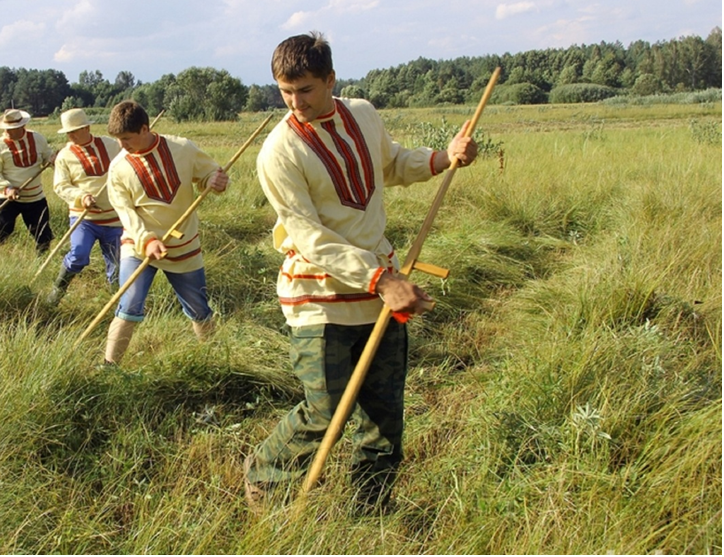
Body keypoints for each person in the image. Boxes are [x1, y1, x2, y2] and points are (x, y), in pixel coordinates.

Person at [244, 32, 477, 514]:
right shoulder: (278, 152)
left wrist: (442, 158)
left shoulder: (363, 114)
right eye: (285, 91)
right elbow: (308, 236)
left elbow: (388, 164)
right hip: (320, 298)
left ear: (331, 79)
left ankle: (368, 511)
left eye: (305, 89)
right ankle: (265, 482)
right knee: (326, 410)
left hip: (377, 297)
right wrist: (383, 280)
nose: (295, 102)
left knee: (385, 413)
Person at [101, 100, 229, 366]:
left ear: (145, 128)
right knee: (129, 304)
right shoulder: (118, 168)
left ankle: (215, 362)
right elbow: (125, 212)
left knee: (199, 309)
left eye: (126, 138)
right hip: (138, 246)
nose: (121, 146)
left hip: (184, 247)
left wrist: (215, 182)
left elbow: (210, 175)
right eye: (118, 139)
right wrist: (146, 240)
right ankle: (109, 367)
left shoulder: (183, 148)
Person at [46, 108, 124, 306]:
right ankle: (56, 293)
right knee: (78, 255)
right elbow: (61, 186)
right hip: (83, 218)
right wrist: (82, 197)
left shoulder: (111, 145)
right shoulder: (64, 156)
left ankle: (117, 303)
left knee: (116, 263)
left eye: (74, 131)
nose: (71, 136)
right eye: (68, 133)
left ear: (87, 127)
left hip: (114, 217)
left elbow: (128, 164)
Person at [0, 108, 56, 255]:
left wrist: (53, 160)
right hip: (8, 198)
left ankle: (41, 262)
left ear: (22, 126)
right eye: (6, 128)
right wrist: (7, 188)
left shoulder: (38, 139)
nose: (8, 132)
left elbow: (47, 158)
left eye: (12, 129)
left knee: (43, 234)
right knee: (1, 230)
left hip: (35, 197)